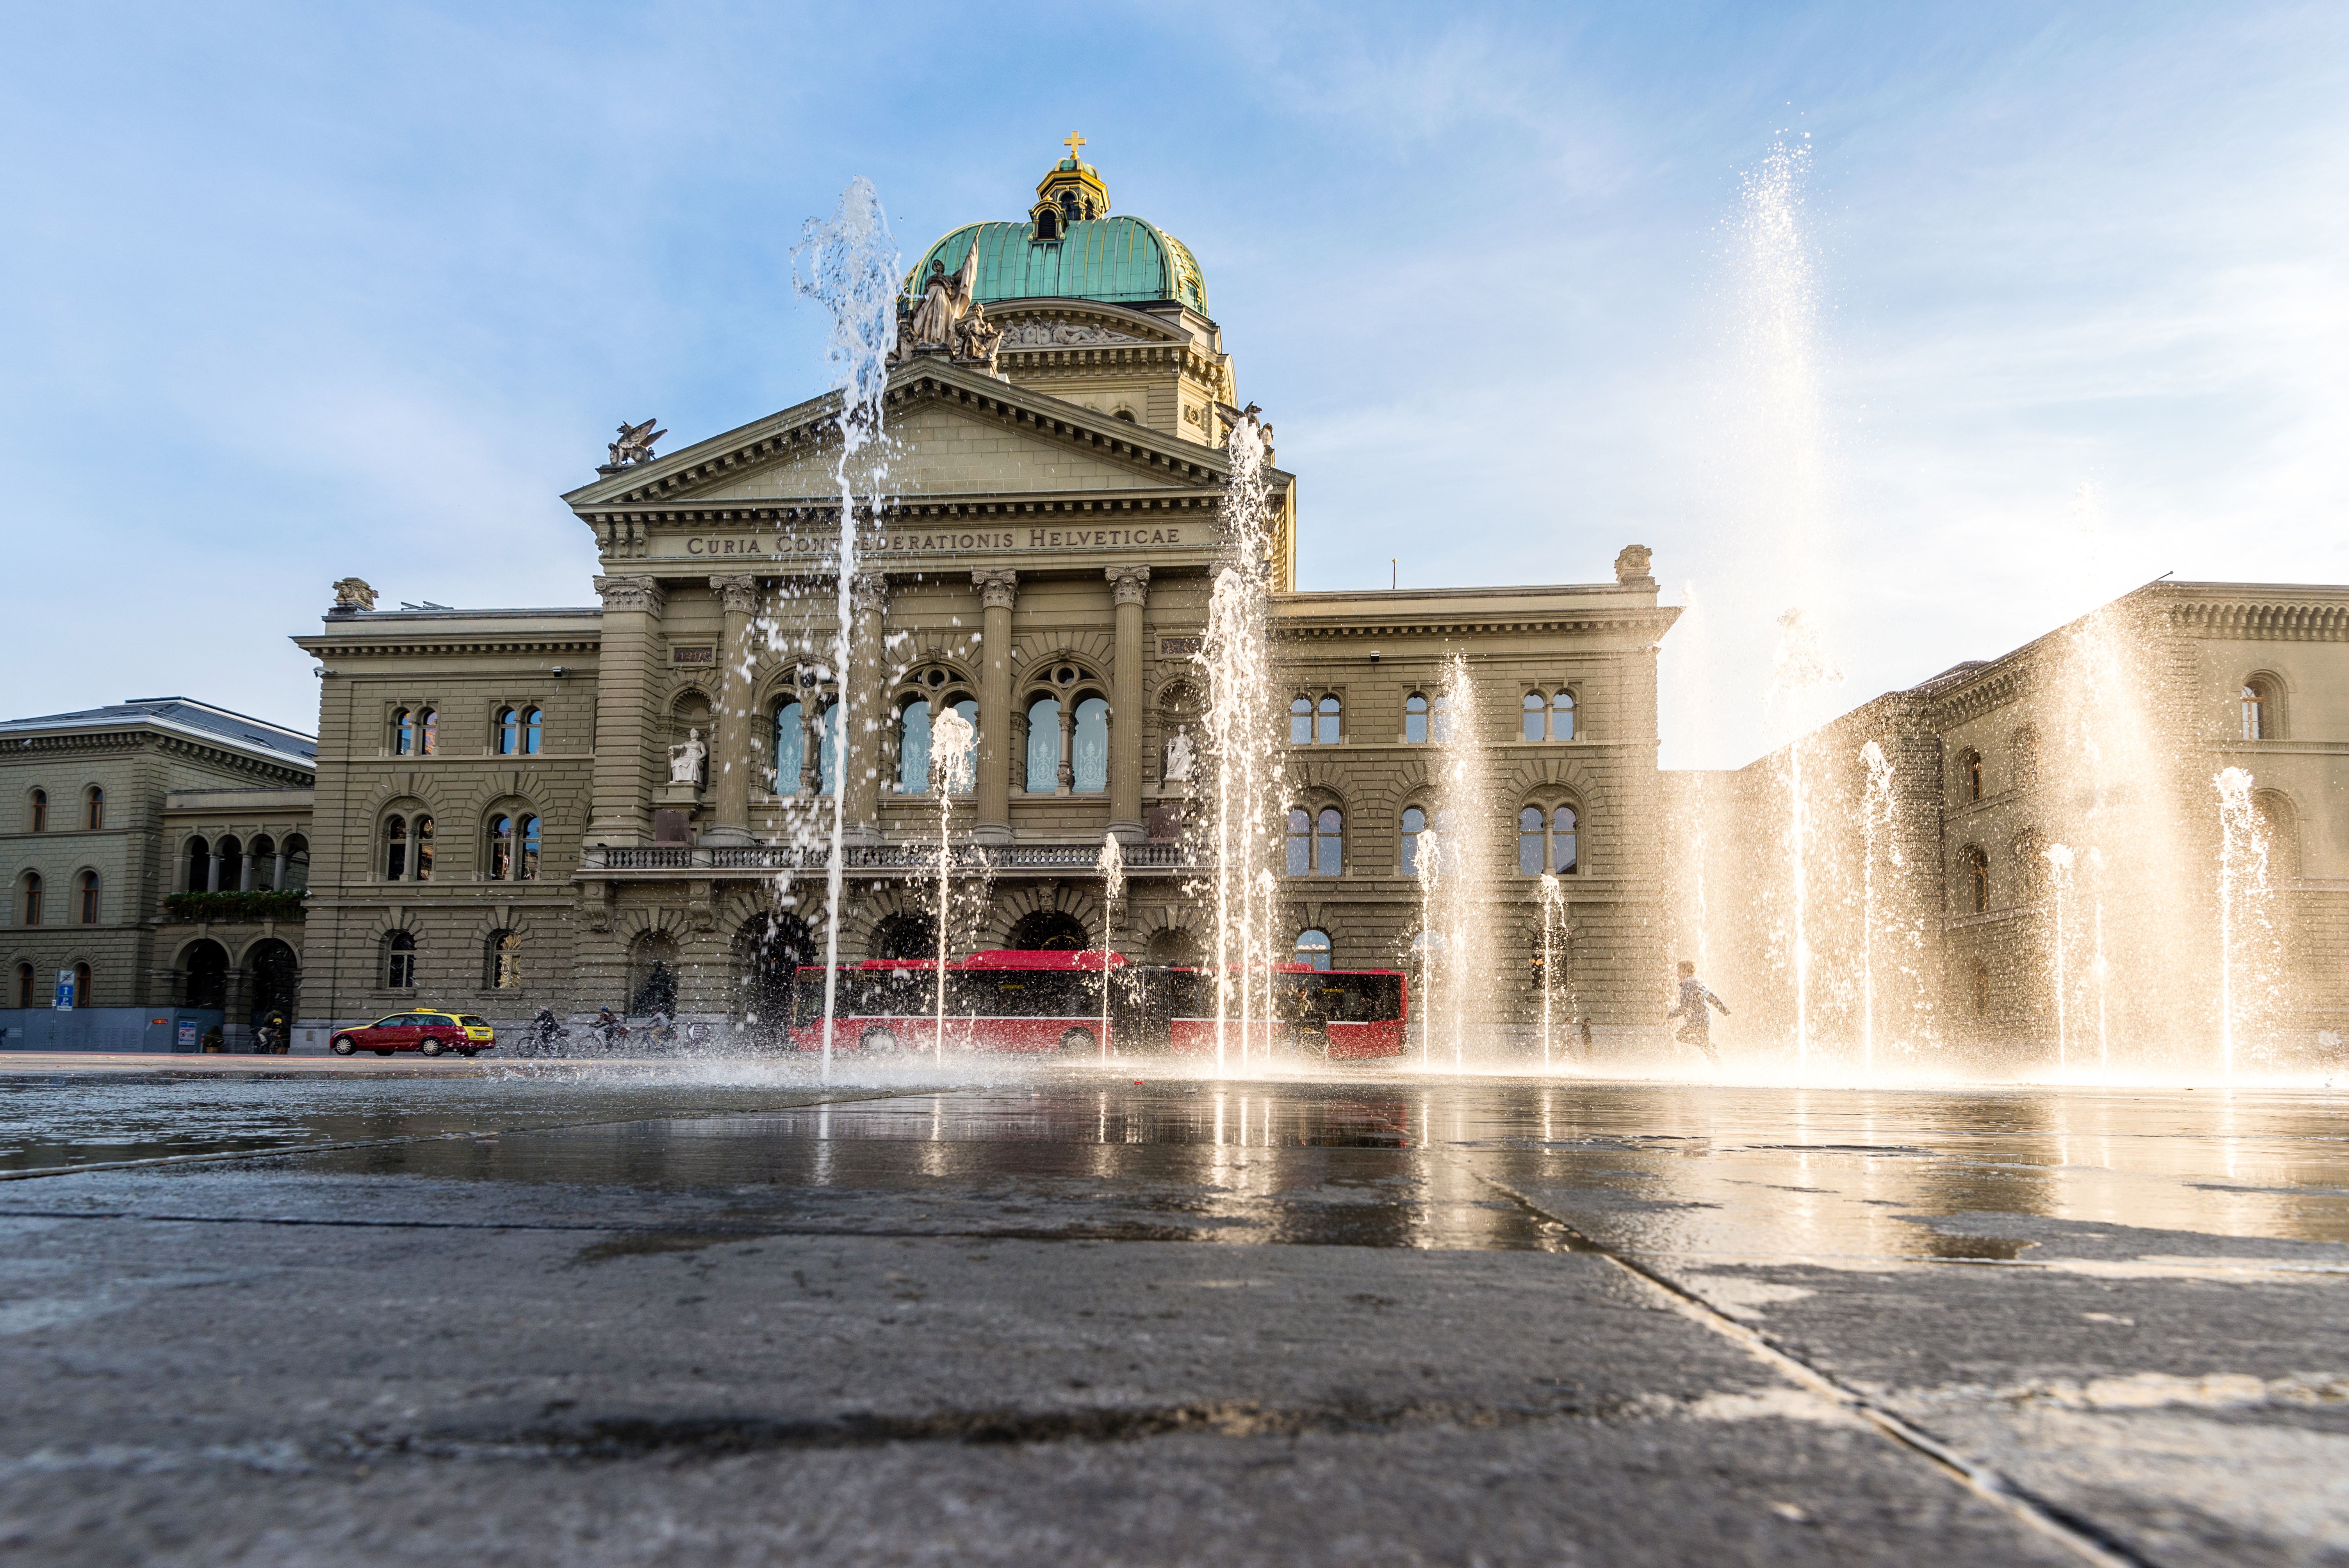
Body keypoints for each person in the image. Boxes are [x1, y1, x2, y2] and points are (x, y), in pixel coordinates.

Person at [1664, 960, 1729, 1064]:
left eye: (1679, 971)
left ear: (1686, 972)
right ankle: (1707, 1047)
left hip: (1697, 1020)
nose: (1677, 974)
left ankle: (1719, 1065)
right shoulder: (1699, 984)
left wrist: (1671, 1015)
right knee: (1701, 1043)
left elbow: (1684, 1008)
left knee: (1681, 1036)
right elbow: (1712, 997)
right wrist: (1724, 1009)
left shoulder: (1688, 986)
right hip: (1704, 1019)